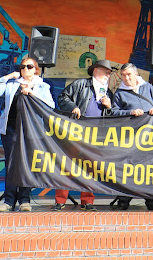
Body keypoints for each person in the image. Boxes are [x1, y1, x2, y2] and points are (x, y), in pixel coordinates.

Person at [0, 57, 55, 212]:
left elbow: (50, 105)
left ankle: (24, 199)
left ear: (35, 69)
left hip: (31, 130)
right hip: (10, 128)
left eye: (29, 66)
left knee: (26, 164)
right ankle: (9, 200)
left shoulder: (42, 86)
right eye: (22, 66)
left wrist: (32, 93)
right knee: (10, 164)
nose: (25, 69)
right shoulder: (12, 84)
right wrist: (8, 77)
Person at [55, 59, 115, 211]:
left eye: (109, 73)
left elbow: (111, 116)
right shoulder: (80, 84)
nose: (108, 74)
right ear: (95, 70)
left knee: (90, 167)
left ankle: (87, 200)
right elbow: (62, 98)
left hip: (95, 134)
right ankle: (60, 200)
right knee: (67, 164)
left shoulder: (108, 92)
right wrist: (73, 107)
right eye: (105, 71)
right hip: (76, 130)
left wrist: (109, 106)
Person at [111, 63, 153, 211]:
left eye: (129, 74)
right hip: (129, 137)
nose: (126, 78)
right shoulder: (119, 93)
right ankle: (124, 200)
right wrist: (130, 112)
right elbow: (114, 112)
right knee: (128, 167)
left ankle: (151, 199)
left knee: (150, 167)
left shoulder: (148, 88)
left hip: (150, 136)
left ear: (136, 75)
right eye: (123, 75)